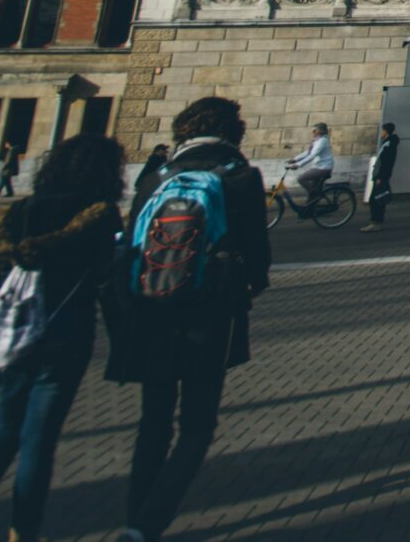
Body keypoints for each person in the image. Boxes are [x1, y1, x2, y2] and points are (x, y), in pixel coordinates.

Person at [0, 133, 126, 542]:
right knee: (38, 442)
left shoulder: (12, 215)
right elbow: (108, 286)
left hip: (4, 337)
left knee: (2, 433)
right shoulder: (100, 217)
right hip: (63, 338)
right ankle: (23, 534)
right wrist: (123, 345)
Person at [107, 95, 273, 542]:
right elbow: (258, 255)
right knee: (197, 427)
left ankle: (134, 520)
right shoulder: (240, 177)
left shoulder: (156, 177)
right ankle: (148, 524)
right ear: (233, 132)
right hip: (209, 315)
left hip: (152, 309)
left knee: (153, 423)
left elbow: (129, 247)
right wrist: (249, 286)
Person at [287, 123, 334, 209]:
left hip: (323, 167)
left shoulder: (323, 141)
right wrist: (295, 159)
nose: (313, 132)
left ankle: (316, 195)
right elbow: (308, 152)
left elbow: (313, 155)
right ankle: (310, 209)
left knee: (301, 179)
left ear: (319, 131)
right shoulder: (317, 140)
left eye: (314, 130)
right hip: (318, 166)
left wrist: (298, 164)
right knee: (312, 188)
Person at [364, 122, 398, 230]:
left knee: (376, 200)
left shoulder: (389, 145)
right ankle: (376, 222)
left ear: (386, 132)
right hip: (380, 175)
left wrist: (380, 177)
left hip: (381, 176)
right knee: (378, 198)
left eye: (382, 130)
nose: (381, 132)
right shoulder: (387, 143)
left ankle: (375, 222)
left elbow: (386, 163)